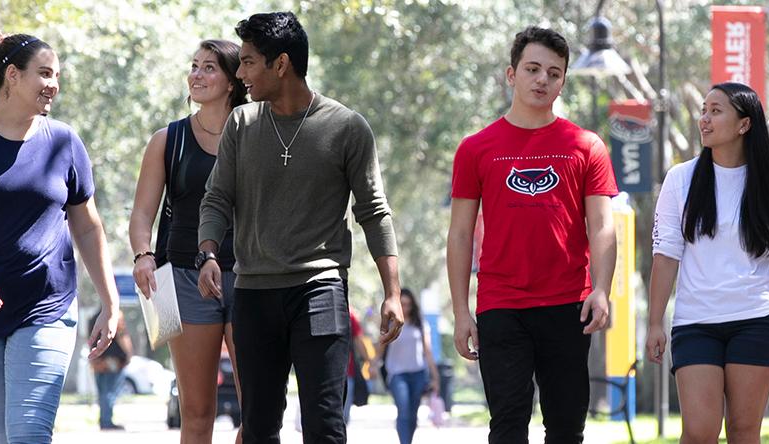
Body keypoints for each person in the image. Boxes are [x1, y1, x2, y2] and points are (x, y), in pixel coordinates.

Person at [196, 11, 405, 444]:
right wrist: (209, 252)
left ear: (282, 64)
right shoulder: (242, 124)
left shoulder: (346, 127)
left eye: (250, 61)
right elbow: (217, 197)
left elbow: (374, 212)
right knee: (257, 426)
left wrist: (392, 292)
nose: (241, 73)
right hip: (253, 292)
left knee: (325, 423)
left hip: (321, 289)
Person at [0, 27, 122, 444]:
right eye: (45, 73)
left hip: (45, 306)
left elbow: (87, 225)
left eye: (56, 76)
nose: (53, 85)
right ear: (12, 76)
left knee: (30, 434)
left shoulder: (65, 142)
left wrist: (109, 302)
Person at [446, 26, 617, 444]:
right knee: (507, 426)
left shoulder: (586, 146)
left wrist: (603, 289)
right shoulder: (476, 148)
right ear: (511, 74)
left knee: (565, 428)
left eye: (554, 73)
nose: (543, 79)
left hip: (568, 305)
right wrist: (461, 311)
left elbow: (602, 226)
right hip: (501, 305)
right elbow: (460, 234)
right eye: (533, 69)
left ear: (562, 81)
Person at [643, 82, 769, 444]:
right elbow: (666, 254)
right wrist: (655, 322)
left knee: (744, 431)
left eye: (715, 111)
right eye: (704, 110)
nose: (704, 119)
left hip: (758, 321)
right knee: (700, 431)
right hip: (696, 322)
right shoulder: (680, 179)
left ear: (744, 124)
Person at [127, 38, 247, 444]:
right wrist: (143, 254)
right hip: (182, 278)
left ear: (233, 80)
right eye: (194, 66)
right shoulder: (169, 139)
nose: (197, 74)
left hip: (253, 277)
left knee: (261, 409)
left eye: (209, 67)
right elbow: (143, 212)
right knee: (196, 413)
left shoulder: (257, 133)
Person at [380, 288, 439, 444]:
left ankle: (408, 441)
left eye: (408, 305)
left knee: (413, 414)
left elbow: (428, 351)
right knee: (404, 411)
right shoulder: (392, 323)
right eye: (402, 304)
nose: (405, 308)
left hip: (418, 374)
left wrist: (435, 376)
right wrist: (373, 364)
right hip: (397, 374)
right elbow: (381, 347)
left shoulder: (420, 324)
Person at [90, 319, 134, 430]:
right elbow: (122, 336)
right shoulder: (116, 315)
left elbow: (90, 339)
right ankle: (106, 422)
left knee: (102, 393)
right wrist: (128, 355)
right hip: (113, 361)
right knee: (110, 392)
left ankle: (104, 420)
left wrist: (92, 361)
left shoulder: (93, 318)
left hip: (97, 360)